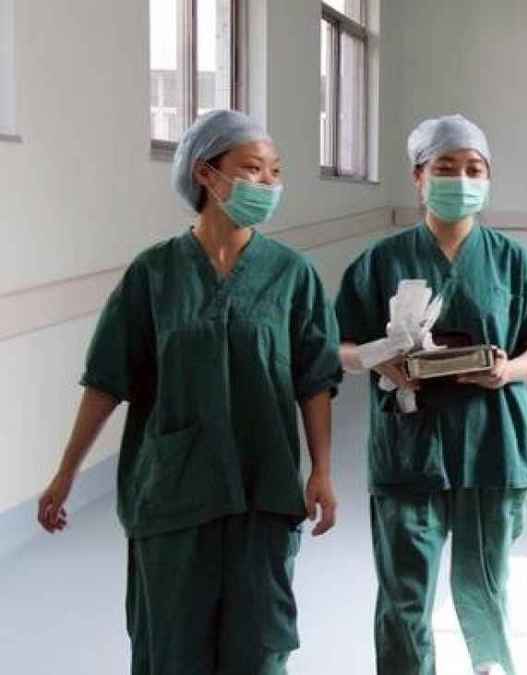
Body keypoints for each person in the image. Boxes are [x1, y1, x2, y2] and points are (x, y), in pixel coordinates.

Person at [35, 109, 343, 674]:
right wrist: (66, 473)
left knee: (259, 648)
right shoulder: (153, 274)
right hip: (172, 493)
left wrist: (321, 470)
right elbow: (105, 381)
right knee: (170, 650)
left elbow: (315, 381)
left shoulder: (291, 275)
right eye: (253, 169)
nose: (268, 183)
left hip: (264, 489)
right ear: (206, 173)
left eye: (275, 171)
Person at [335, 114, 527, 675]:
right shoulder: (382, 261)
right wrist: (380, 358)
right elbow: (339, 345)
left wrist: (507, 371)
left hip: (491, 447)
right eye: (445, 167)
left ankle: (492, 667)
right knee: (405, 596)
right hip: (409, 448)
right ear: (419, 177)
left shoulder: (513, 262)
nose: (460, 179)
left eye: (473, 169)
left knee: (486, 589)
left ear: (488, 178)